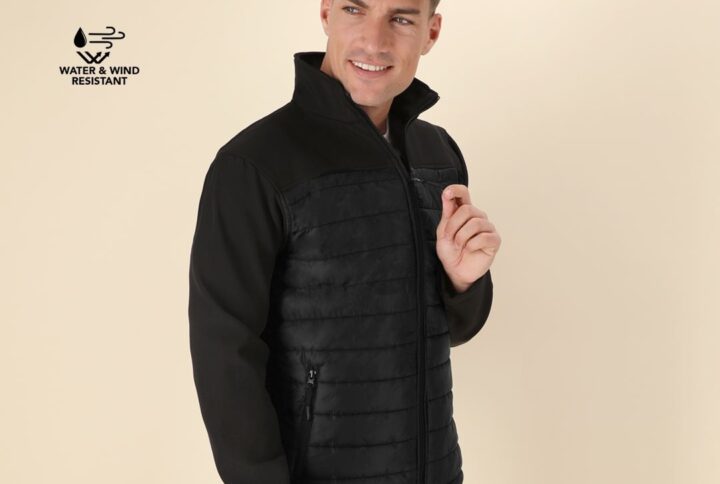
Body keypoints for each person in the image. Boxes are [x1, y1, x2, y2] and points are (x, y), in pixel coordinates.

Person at [188, 0, 502, 482]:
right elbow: (224, 355)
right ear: (326, 13)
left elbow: (450, 331)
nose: (374, 41)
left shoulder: (437, 153)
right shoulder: (255, 164)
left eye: (401, 18)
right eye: (356, 9)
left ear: (431, 32)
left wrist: (463, 283)